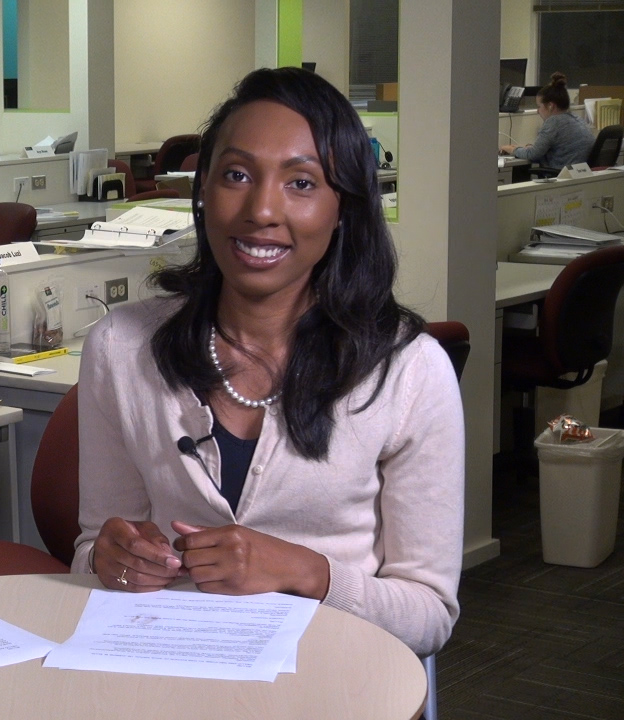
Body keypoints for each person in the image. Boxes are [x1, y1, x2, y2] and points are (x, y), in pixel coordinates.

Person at [74, 67, 464, 657]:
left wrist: (306, 572)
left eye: (302, 183)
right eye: (236, 175)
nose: (261, 209)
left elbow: (429, 616)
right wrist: (112, 560)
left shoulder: (409, 370)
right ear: (201, 188)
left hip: (333, 675)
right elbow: (91, 552)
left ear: (344, 209)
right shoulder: (120, 347)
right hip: (173, 666)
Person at [501, 71, 595, 171]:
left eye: (539, 106)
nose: (537, 111)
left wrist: (511, 149)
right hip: (580, 176)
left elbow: (533, 155)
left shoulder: (554, 122)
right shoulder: (577, 119)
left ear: (550, 106)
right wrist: (527, 148)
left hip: (562, 178)